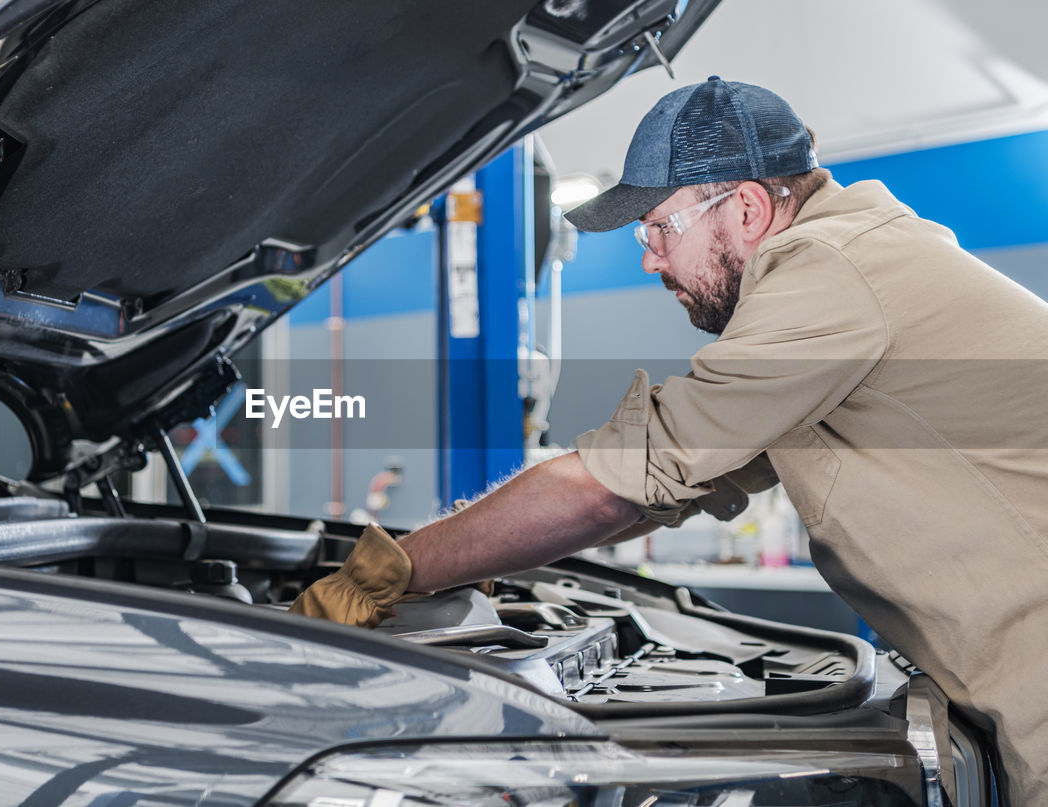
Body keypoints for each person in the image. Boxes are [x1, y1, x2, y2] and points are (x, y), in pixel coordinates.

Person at [290, 76, 1048, 804]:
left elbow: (604, 490)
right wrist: (479, 554)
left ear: (746, 208)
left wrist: (386, 575)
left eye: (659, 227)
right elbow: (648, 493)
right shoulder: (863, 258)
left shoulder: (830, 272)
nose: (649, 257)